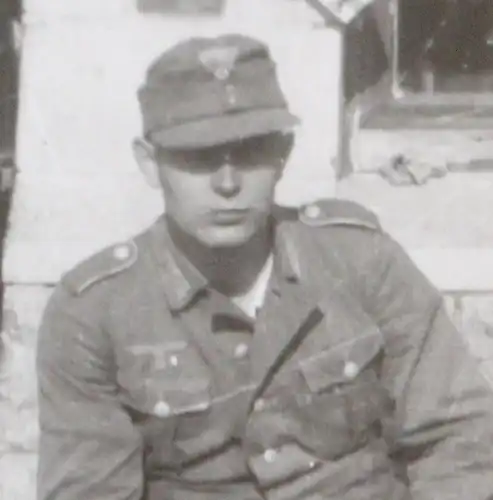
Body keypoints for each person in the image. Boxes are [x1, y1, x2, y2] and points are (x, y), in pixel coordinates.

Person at [36, 34, 493, 500]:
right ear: (150, 163)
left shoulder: (360, 261)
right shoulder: (95, 311)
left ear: (283, 154)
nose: (228, 183)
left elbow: (459, 438)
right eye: (198, 156)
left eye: (251, 150)